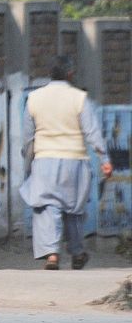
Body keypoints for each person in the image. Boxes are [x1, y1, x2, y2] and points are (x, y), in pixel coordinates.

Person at [20, 55, 113, 270]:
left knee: (47, 208)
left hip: (44, 161)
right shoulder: (79, 98)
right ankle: (77, 251)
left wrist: (28, 161)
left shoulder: (34, 98)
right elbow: (92, 132)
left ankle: (52, 254)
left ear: (49, 74)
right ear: (70, 74)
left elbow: (27, 137)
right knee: (74, 210)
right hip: (75, 162)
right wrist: (104, 160)